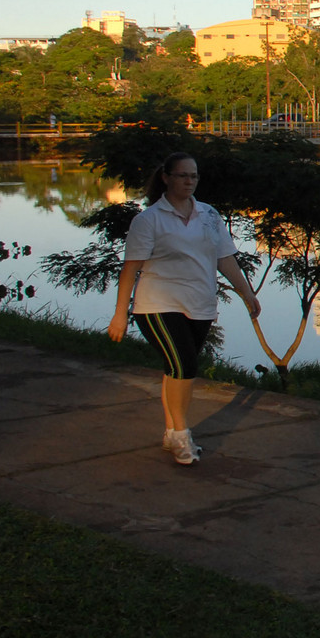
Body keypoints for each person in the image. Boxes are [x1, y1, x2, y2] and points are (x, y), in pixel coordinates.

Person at [107, 152, 260, 465]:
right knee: (184, 365)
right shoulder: (149, 220)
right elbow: (130, 269)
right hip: (157, 304)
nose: (189, 181)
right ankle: (180, 435)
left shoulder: (208, 215)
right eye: (183, 175)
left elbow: (225, 258)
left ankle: (170, 431)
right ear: (167, 177)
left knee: (175, 369)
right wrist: (120, 313)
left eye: (194, 176)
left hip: (200, 304)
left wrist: (247, 293)